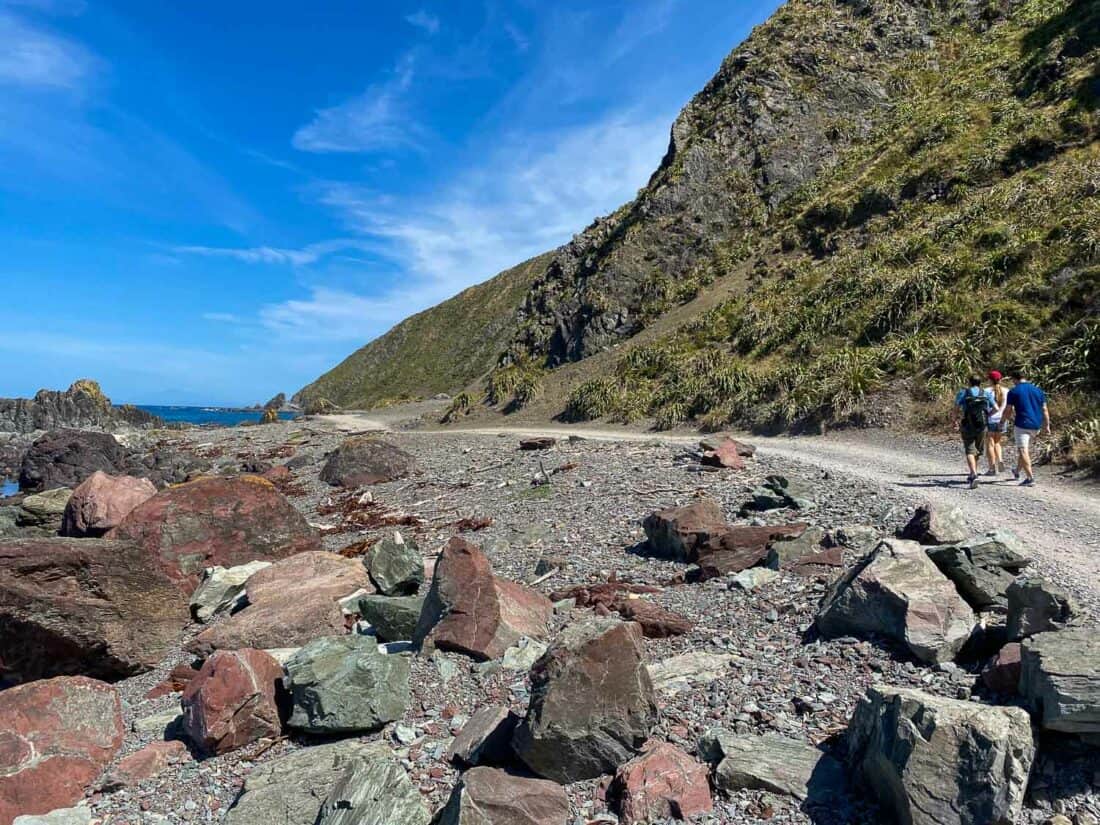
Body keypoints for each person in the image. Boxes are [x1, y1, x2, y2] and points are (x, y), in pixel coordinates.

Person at [1004, 368, 1051, 486]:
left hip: (1022, 424)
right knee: (1024, 449)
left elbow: (1008, 410)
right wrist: (1047, 425)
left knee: (1023, 450)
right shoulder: (1038, 390)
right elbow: (1044, 409)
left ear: (1014, 379)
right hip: (1036, 424)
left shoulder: (1013, 391)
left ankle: (1030, 478)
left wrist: (1002, 422)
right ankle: (1017, 471)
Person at [956, 376, 993, 489]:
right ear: (980, 383)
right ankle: (973, 472)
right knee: (977, 450)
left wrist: (954, 421)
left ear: (969, 382)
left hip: (967, 424)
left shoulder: (963, 393)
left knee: (969, 449)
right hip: (982, 426)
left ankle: (973, 474)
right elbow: (996, 407)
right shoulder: (985, 394)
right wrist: (988, 415)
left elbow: (956, 408)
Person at [985, 370, 1008, 475]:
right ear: (1000, 379)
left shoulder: (986, 391)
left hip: (990, 419)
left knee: (990, 444)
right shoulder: (1006, 390)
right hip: (1002, 419)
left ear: (989, 379)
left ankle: (992, 468)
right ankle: (1000, 460)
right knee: (997, 442)